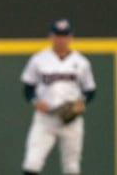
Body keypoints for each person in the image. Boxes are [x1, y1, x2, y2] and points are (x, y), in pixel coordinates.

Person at [20, 18, 97, 175]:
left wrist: (81, 102)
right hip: (45, 118)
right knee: (32, 162)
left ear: (71, 37)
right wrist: (34, 101)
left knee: (71, 167)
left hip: (71, 120)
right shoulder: (39, 59)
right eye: (58, 35)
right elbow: (28, 87)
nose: (61, 39)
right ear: (51, 36)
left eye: (65, 35)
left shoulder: (81, 62)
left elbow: (90, 90)